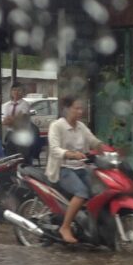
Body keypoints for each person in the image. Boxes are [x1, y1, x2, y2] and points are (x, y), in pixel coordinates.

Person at [47, 96, 104, 244]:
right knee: (81, 193)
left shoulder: (81, 126)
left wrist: (104, 148)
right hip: (63, 169)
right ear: (66, 109)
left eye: (81, 108)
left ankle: (89, 227)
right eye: (76, 108)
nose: (80, 111)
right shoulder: (57, 126)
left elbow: (93, 140)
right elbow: (54, 150)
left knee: (99, 192)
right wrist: (71, 154)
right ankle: (65, 227)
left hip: (82, 167)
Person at [0, 83, 36, 165]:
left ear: (23, 92)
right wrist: (14, 119)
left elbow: (21, 119)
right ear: (11, 92)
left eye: (19, 90)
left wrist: (12, 120)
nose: (16, 92)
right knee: (10, 158)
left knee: (22, 158)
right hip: (11, 134)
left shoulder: (25, 104)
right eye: (14, 90)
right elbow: (5, 121)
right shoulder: (7, 105)